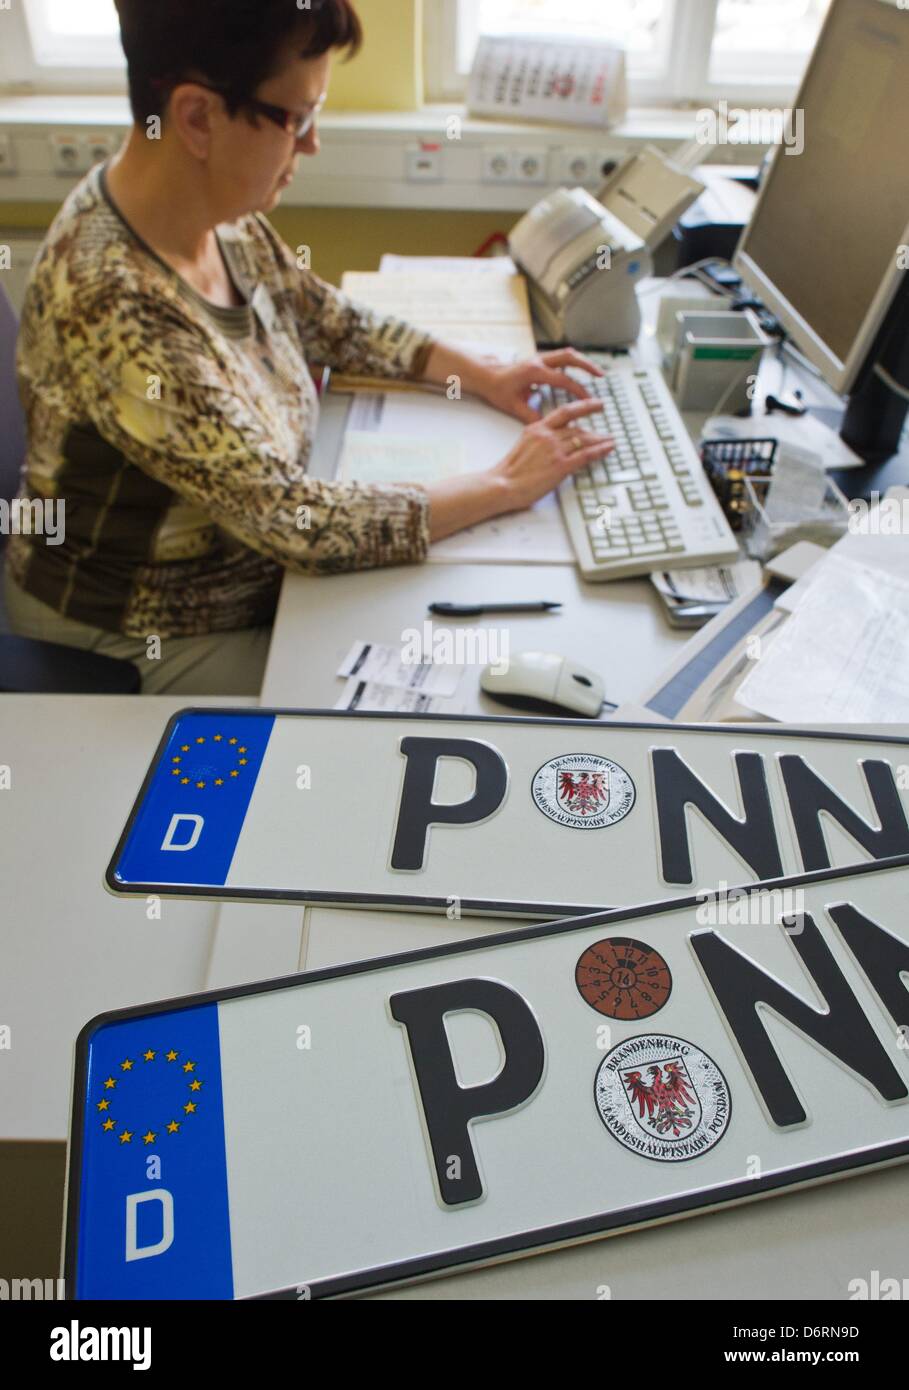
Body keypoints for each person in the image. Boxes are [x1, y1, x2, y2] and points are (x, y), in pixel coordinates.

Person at [4, 0, 613, 695]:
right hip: (145, 634)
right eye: (296, 118)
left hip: (261, 578)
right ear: (197, 117)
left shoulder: (212, 214)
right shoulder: (116, 304)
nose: (312, 144)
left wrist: (482, 373)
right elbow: (300, 525)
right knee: (426, 695)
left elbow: (324, 316)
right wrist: (505, 485)